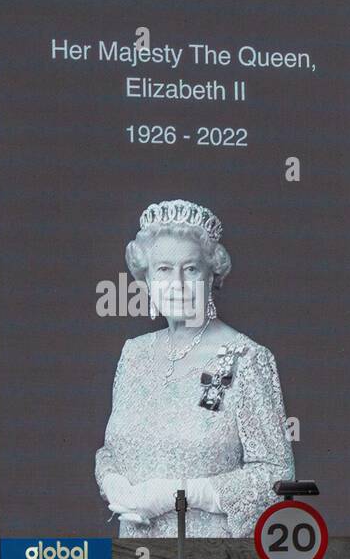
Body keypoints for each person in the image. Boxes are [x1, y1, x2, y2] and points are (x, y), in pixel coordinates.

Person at [95, 199, 295, 538]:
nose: (177, 283)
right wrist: (111, 481)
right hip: (133, 558)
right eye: (163, 269)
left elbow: (276, 475)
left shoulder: (245, 357)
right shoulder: (134, 355)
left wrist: (181, 494)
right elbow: (111, 451)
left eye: (190, 269)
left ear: (212, 273)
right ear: (145, 277)